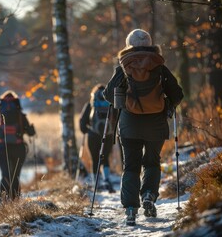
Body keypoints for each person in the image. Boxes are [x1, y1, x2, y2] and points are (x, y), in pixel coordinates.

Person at [103, 29, 184, 226]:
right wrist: (167, 103)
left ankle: (131, 209)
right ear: (149, 43)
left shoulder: (124, 66)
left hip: (130, 124)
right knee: (152, 162)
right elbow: (177, 94)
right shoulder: (159, 66)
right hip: (155, 123)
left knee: (131, 165)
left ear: (128, 44)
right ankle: (148, 194)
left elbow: (107, 95)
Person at [0, 90, 36, 202]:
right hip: (18, 149)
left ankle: (1, 202)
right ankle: (15, 202)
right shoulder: (20, 116)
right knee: (15, 176)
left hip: (1, 149)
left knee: (5, 176)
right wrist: (30, 129)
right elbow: (31, 133)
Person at [79, 84, 116, 193]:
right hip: (108, 135)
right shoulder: (111, 104)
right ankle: (107, 180)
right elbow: (116, 119)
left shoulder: (91, 104)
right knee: (105, 158)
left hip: (93, 135)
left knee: (95, 159)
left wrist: (86, 130)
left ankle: (96, 183)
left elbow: (82, 121)